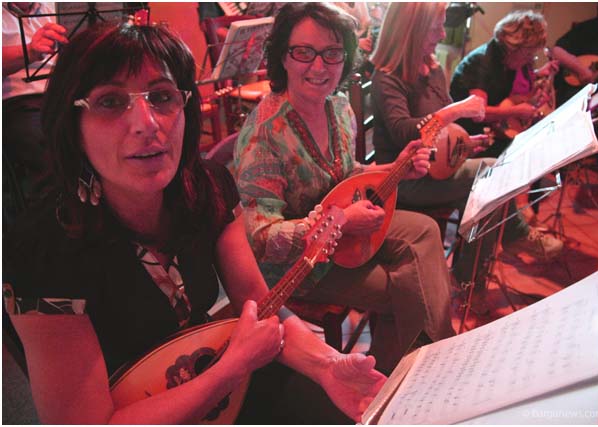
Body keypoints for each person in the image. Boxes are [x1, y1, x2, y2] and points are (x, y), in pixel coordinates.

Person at [2, 22, 385, 424]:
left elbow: (259, 304)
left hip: (215, 376)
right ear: (72, 124)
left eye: (162, 97)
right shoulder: (40, 252)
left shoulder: (207, 188)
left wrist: (328, 364)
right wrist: (231, 368)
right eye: (111, 102)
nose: (147, 124)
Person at [233, 2, 455, 376]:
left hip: (342, 238)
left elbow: (347, 174)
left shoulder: (338, 108)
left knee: (425, 231)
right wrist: (342, 221)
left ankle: (405, 369)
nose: (319, 67)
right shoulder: (263, 135)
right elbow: (261, 239)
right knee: (406, 289)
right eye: (304, 52)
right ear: (283, 57)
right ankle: (418, 373)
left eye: (332, 53)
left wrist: (396, 168)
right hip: (301, 267)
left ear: (345, 58)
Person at [368, 2, 564, 287]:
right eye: (435, 28)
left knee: (485, 201)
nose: (442, 34)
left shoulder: (431, 66)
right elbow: (403, 133)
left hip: (435, 170)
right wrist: (456, 109)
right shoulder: (387, 77)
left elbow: (444, 129)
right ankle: (505, 246)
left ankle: (469, 284)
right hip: (403, 179)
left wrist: (465, 143)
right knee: (492, 172)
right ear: (411, 30)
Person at [450, 9, 559, 158]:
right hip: (467, 137)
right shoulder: (481, 62)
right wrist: (515, 111)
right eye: (528, 54)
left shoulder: (507, 61)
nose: (530, 59)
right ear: (512, 47)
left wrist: (537, 80)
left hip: (489, 131)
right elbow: (478, 113)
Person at [2, 2, 68, 223]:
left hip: (63, 93)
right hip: (19, 100)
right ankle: (52, 225)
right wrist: (30, 50)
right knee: (48, 148)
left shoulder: (56, 6)